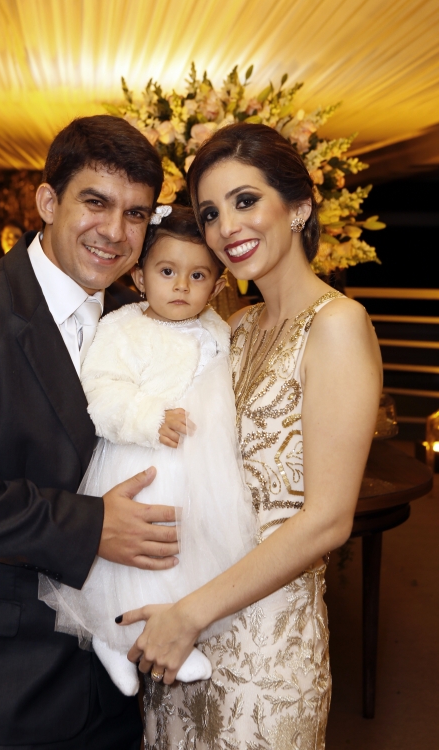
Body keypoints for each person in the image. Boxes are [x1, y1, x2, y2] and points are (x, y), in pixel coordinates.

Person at [0, 115, 177, 750]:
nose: (115, 231)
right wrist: (92, 526)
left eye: (135, 213)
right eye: (95, 202)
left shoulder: (138, 317)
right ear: (48, 201)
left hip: (115, 675)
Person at [119, 123, 382, 749]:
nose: (226, 227)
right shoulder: (234, 328)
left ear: (299, 206)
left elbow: (327, 521)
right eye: (211, 212)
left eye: (245, 200)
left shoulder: (338, 325)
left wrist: (190, 614)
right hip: (184, 636)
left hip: (267, 652)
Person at [39, 205, 255, 696]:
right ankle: (112, 636)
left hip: (202, 466)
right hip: (144, 459)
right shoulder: (123, 327)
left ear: (217, 286)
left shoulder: (218, 331)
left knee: (191, 553)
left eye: (197, 275)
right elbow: (101, 392)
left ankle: (170, 627)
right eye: (167, 271)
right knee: (135, 558)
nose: (181, 286)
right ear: (139, 277)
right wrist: (150, 418)